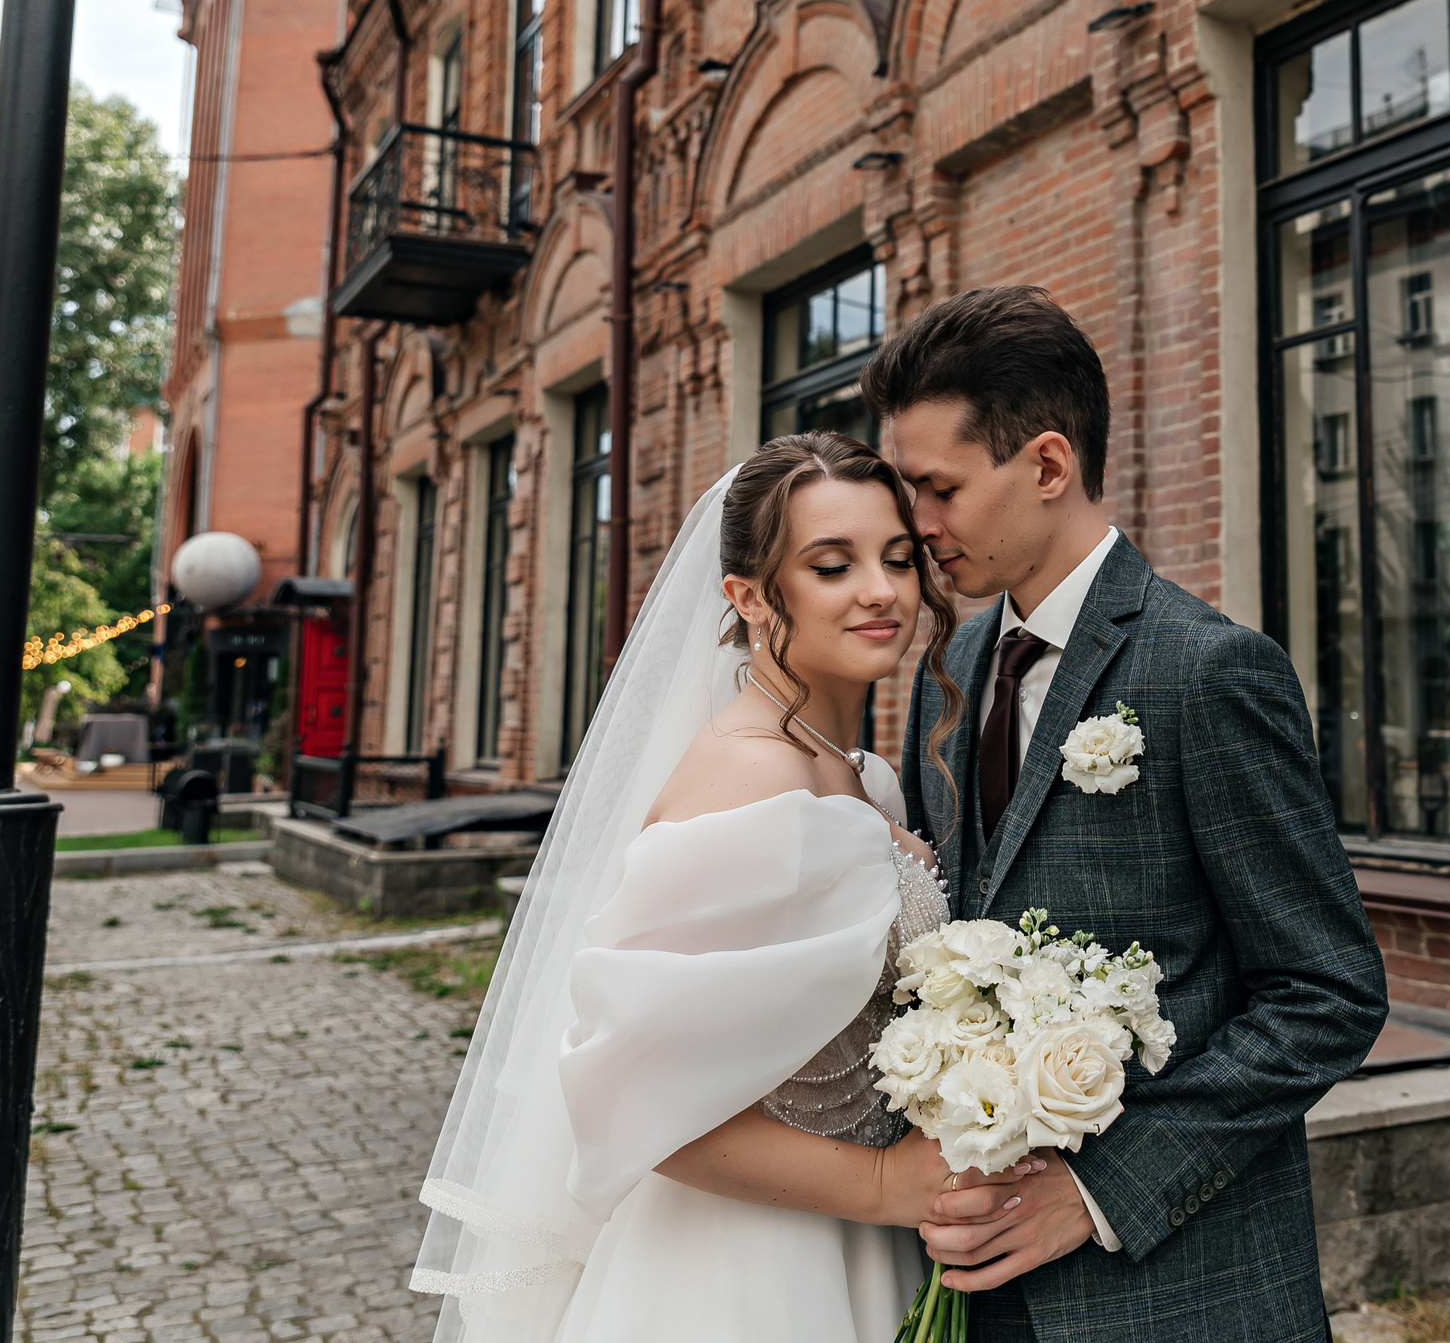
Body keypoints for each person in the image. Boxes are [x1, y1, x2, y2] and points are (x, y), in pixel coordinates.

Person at [410, 432, 1043, 1343]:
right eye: (833, 565)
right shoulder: (754, 783)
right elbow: (631, 1100)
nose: (883, 590)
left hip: (854, 1243)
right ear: (746, 596)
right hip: (746, 1264)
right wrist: (878, 1183)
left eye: (899, 558)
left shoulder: (860, 776)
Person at [864, 286, 1389, 1343]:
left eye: (938, 488)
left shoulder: (1210, 671)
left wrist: (1098, 1191)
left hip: (1172, 1286)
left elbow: (1325, 991)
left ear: (1049, 465)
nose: (914, 527)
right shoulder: (949, 665)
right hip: (967, 1278)